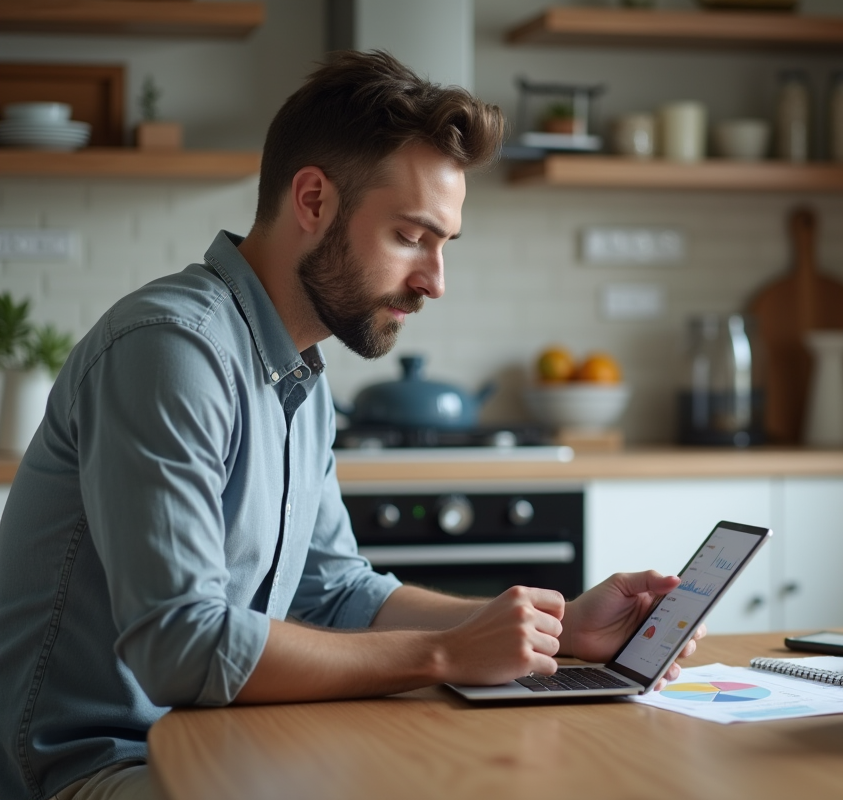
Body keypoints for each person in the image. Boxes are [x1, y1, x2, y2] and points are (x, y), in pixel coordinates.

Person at [0, 51, 703, 800]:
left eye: (443, 244)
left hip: (212, 737)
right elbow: (183, 646)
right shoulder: (170, 351)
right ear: (312, 200)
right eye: (411, 236)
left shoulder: (293, 370)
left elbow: (335, 592)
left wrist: (559, 634)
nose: (436, 279)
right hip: (93, 768)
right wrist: (439, 654)